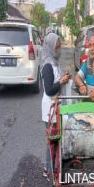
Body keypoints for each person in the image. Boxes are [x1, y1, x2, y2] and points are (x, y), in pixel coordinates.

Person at [41, 32, 71, 177]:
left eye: (60, 46)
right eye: (57, 46)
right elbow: (49, 89)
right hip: (49, 110)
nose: (59, 49)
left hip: (56, 108)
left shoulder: (54, 62)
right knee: (51, 142)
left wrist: (63, 77)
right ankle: (48, 170)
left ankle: (54, 167)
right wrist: (61, 81)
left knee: (56, 139)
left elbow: (56, 81)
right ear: (51, 47)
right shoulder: (47, 65)